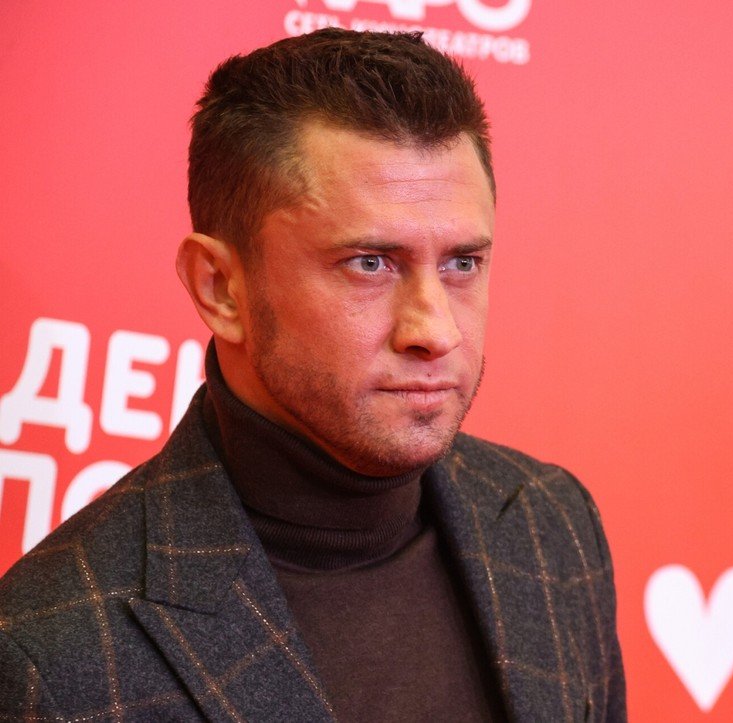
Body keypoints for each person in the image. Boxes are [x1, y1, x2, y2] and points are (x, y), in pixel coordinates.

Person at [0, 29, 624, 721]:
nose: (437, 329)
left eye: (462, 263)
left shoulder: (552, 524)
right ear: (221, 288)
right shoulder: (51, 658)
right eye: (370, 263)